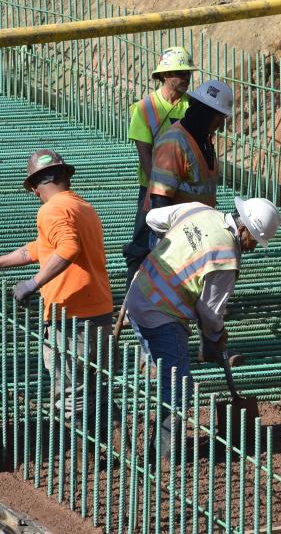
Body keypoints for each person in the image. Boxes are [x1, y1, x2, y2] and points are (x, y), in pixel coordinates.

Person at [125, 197, 280, 456]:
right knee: (177, 389)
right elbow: (209, 312)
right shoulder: (227, 257)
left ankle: (161, 445)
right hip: (161, 315)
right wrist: (216, 336)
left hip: (138, 295)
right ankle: (162, 454)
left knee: (169, 377)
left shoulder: (198, 210)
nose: (253, 248)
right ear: (243, 229)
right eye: (254, 240)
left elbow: (152, 219)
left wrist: (171, 247)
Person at [0, 150, 114, 433]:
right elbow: (42, 249)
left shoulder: (50, 210)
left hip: (72, 315)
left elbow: (68, 249)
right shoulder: (82, 207)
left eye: (33, 189)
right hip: (97, 312)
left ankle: (80, 456)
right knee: (90, 385)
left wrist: (32, 283)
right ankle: (105, 440)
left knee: (70, 392)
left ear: (38, 184)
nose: (35, 195)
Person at [122, 47, 196, 286]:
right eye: (178, 73)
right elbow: (144, 152)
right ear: (164, 75)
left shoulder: (193, 107)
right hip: (153, 187)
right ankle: (133, 288)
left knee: (185, 240)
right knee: (144, 239)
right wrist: (159, 188)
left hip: (185, 187)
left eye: (187, 73)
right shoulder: (145, 108)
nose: (185, 78)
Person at [147, 79, 233, 212]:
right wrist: (170, 233)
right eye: (221, 117)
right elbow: (159, 201)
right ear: (206, 113)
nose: (221, 124)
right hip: (178, 229)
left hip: (198, 226)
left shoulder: (204, 140)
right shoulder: (173, 144)